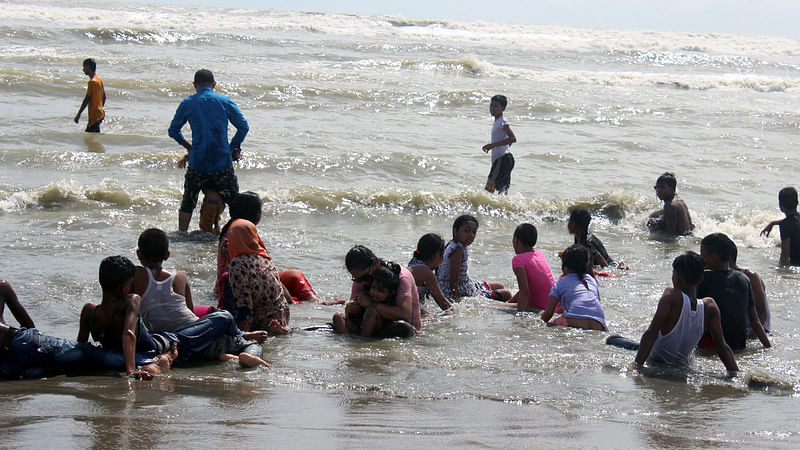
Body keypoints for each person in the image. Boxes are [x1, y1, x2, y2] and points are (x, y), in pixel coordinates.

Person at [78, 256, 268, 378]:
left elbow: (81, 346)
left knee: (202, 341)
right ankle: (242, 337)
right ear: (123, 287)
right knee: (224, 315)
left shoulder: (89, 310)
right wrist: (130, 371)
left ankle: (228, 352)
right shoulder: (131, 300)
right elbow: (129, 334)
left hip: (160, 339)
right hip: (169, 343)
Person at [1, 280, 175, 380]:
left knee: (87, 355)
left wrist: (130, 370)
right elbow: (30, 327)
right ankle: (153, 361)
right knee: (65, 366)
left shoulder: (2, 287)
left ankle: (154, 360)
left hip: (21, 343)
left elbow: (29, 328)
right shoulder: (2, 286)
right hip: (17, 349)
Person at [168, 69, 249, 233]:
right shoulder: (224, 101)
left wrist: (189, 147)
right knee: (234, 202)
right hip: (221, 163)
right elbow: (243, 127)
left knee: (188, 201)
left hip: (198, 162)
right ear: (214, 85)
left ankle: (182, 234)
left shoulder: (188, 103)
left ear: (194, 85)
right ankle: (237, 234)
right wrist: (231, 147)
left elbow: (173, 131)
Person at [634, 252, 739, 373]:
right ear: (700, 279)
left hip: (657, 366)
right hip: (686, 369)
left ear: (677, 278)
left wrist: (637, 367)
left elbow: (651, 333)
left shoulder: (671, 296)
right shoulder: (710, 307)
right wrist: (735, 375)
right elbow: (722, 347)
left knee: (615, 340)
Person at [697, 233, 770, 351]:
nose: (701, 259)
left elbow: (691, 313)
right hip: (739, 344)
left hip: (710, 344)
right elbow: (755, 321)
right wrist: (768, 347)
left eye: (702, 255)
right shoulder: (744, 279)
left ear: (714, 258)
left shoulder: (703, 278)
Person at [332, 245, 421, 337]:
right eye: (357, 279)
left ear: (375, 263)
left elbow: (405, 315)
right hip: (367, 324)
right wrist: (350, 307)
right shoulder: (361, 279)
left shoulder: (400, 278)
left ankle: (362, 340)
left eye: (365, 277)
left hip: (399, 326)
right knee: (338, 316)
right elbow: (354, 309)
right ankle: (349, 342)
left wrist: (372, 304)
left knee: (374, 312)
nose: (363, 282)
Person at [133, 228, 199, 332]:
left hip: (166, 336)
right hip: (193, 329)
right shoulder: (180, 277)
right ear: (167, 255)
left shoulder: (136, 274)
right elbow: (191, 310)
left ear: (138, 254)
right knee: (224, 316)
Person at [436, 215, 511, 301]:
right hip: (459, 290)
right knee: (506, 294)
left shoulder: (455, 244)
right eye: (466, 231)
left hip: (465, 284)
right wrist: (457, 302)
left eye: (474, 232)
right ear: (455, 231)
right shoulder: (457, 251)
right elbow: (453, 283)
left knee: (499, 286)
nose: (471, 235)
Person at [541, 245, 607, 330]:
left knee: (548, 326)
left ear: (565, 267)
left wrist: (536, 322)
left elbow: (547, 315)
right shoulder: (591, 280)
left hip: (572, 321)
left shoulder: (560, 283)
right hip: (599, 324)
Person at [728, 240, 771, 336]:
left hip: (760, 332)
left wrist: (751, 337)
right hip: (739, 332)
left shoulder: (749, 276)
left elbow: (761, 312)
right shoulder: (716, 277)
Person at [508, 223, 555, 312]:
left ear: (516, 241)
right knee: (506, 305)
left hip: (541, 309)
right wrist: (508, 302)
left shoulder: (518, 260)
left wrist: (519, 317)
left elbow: (525, 292)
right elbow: (527, 288)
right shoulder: (539, 254)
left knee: (491, 306)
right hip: (554, 306)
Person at [408, 233, 453, 313]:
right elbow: (444, 305)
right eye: (442, 255)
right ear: (436, 255)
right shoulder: (426, 273)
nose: (442, 259)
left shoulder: (413, 263)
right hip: (404, 306)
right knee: (431, 318)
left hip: (401, 302)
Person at [482, 95, 517, 194]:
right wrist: (503, 146)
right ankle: (504, 209)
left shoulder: (503, 122)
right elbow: (508, 141)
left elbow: (513, 138)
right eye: (491, 105)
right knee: (502, 192)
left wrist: (492, 145)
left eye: (496, 106)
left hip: (503, 159)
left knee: (489, 189)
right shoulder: (497, 121)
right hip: (504, 159)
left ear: (503, 108)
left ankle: (485, 209)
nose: (492, 108)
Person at [760, 187, 800, 266]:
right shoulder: (796, 219)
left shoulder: (785, 225)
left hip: (796, 264)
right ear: (797, 202)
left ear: (781, 206)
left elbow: (785, 253)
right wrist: (773, 223)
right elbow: (793, 223)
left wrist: (781, 271)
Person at [73, 58, 106, 133]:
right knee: (93, 137)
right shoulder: (99, 79)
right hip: (100, 114)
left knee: (91, 138)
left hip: (94, 116)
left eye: (84, 67)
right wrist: (100, 108)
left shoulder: (92, 82)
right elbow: (104, 97)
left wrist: (78, 114)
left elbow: (87, 99)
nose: (83, 70)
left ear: (88, 67)